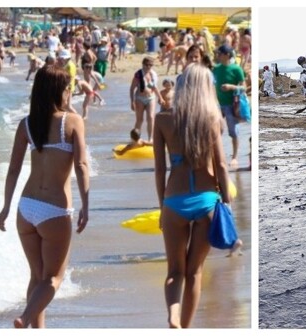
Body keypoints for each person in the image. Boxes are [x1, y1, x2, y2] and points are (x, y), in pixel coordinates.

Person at [0, 65, 89, 328]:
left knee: (36, 277)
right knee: (53, 280)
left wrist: (5, 208)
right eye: (68, 87)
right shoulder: (72, 122)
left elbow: (13, 169)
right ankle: (25, 318)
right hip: (55, 210)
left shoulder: (27, 124)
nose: (71, 91)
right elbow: (81, 165)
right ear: (61, 91)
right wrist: (86, 204)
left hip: (26, 209)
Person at [153, 64, 233, 328]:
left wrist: (161, 206)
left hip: (174, 200)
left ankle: (173, 315)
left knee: (175, 271)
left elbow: (159, 168)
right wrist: (228, 206)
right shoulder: (211, 119)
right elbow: (221, 166)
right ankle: (185, 328)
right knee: (195, 272)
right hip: (207, 199)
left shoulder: (162, 119)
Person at [213, 45, 245, 168]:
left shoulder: (236, 69)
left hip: (232, 105)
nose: (218, 56)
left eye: (220, 54)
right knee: (215, 132)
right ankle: (217, 156)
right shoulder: (216, 69)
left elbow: (243, 87)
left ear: (227, 55)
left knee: (233, 132)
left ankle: (235, 157)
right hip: (217, 105)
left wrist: (231, 87)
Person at [130, 57, 165, 144]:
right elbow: (132, 89)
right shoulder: (138, 74)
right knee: (140, 119)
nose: (148, 67)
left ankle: (151, 139)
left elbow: (154, 87)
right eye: (147, 65)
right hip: (139, 98)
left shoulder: (153, 74)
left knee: (151, 117)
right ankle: (135, 139)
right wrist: (132, 101)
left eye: (150, 65)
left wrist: (160, 97)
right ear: (143, 64)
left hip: (151, 97)